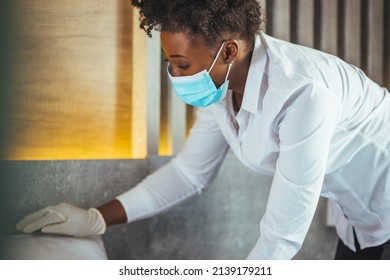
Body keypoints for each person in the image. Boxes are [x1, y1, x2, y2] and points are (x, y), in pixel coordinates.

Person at [16, 0, 390, 260]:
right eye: (170, 64)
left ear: (228, 52)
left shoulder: (304, 94)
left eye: (181, 64)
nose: (174, 76)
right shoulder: (222, 87)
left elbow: (281, 236)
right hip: (359, 215)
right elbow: (189, 174)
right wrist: (96, 218)